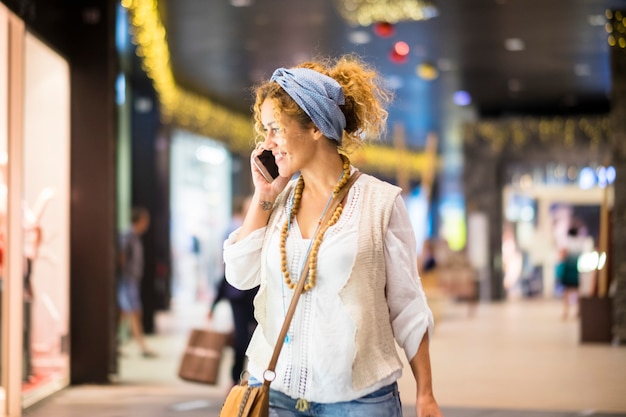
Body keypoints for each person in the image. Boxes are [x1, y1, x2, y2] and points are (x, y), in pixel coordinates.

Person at [223, 55, 442, 417]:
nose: (267, 143)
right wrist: (262, 197)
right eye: (264, 131)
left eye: (275, 128)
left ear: (315, 127)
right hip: (277, 395)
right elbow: (239, 275)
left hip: (359, 401)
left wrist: (426, 393)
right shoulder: (277, 203)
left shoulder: (379, 203)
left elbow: (409, 306)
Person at [209, 196, 258, 386]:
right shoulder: (236, 230)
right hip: (238, 296)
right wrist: (214, 302)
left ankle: (253, 378)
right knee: (240, 339)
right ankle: (235, 379)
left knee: (257, 341)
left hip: (258, 296)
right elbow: (228, 268)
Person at [117, 206, 156, 358]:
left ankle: (117, 344)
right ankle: (142, 346)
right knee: (134, 311)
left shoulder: (134, 236)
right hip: (127, 280)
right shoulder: (127, 236)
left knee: (125, 312)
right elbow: (121, 256)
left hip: (131, 280)